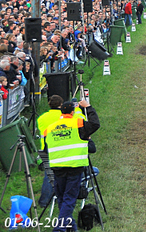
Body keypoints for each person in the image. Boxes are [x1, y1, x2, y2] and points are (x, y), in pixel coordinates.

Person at [43, 99, 99, 232]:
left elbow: (46, 149)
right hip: (75, 167)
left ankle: (72, 228)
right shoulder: (78, 123)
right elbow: (95, 124)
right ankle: (59, 229)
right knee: (68, 199)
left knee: (63, 199)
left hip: (57, 168)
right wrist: (89, 107)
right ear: (73, 112)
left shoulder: (50, 128)